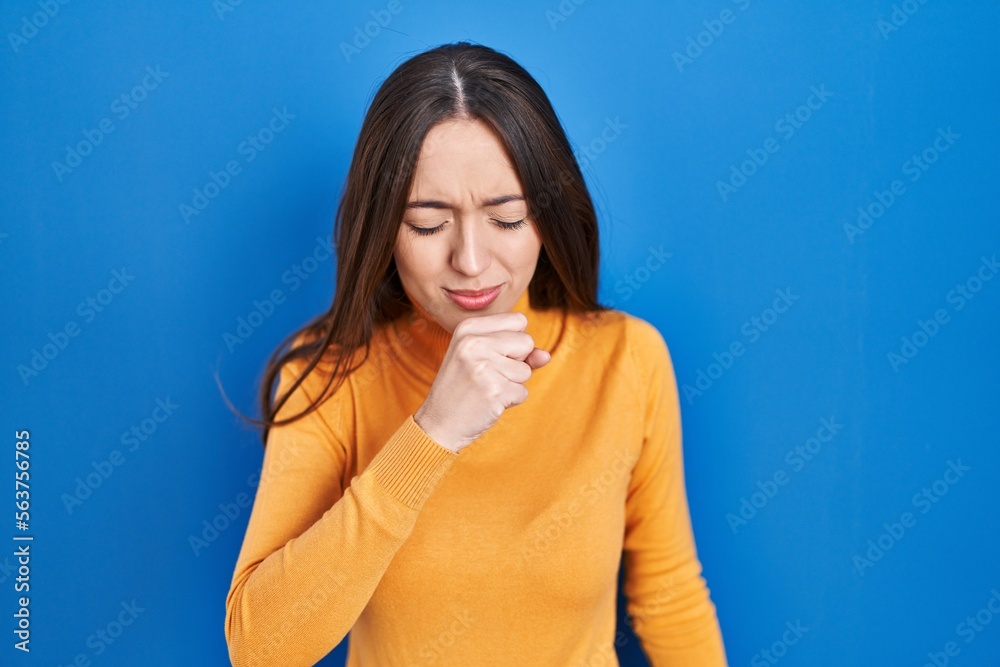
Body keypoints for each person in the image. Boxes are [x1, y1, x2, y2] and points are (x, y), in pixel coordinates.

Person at [224, 40, 728, 666]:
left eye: (507, 218)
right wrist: (431, 434)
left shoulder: (627, 359)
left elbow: (669, 593)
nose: (470, 261)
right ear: (383, 227)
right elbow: (261, 649)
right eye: (429, 224)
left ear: (548, 214)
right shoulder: (329, 373)